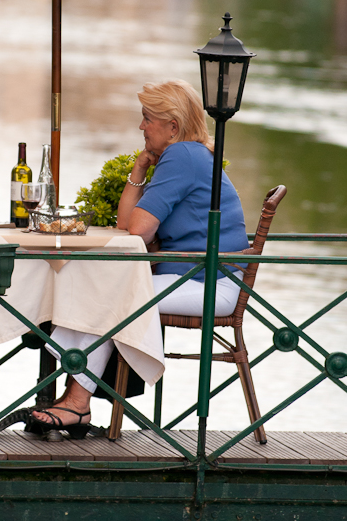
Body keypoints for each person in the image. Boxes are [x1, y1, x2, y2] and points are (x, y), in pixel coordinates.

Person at [31, 79, 248, 436]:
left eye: (148, 118)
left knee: (118, 296)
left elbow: (138, 230)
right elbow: (126, 224)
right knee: (110, 291)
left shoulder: (182, 156)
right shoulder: (188, 155)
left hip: (214, 284)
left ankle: (76, 404)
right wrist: (138, 170)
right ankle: (76, 401)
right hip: (198, 276)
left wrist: (143, 177)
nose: (141, 127)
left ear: (173, 126)